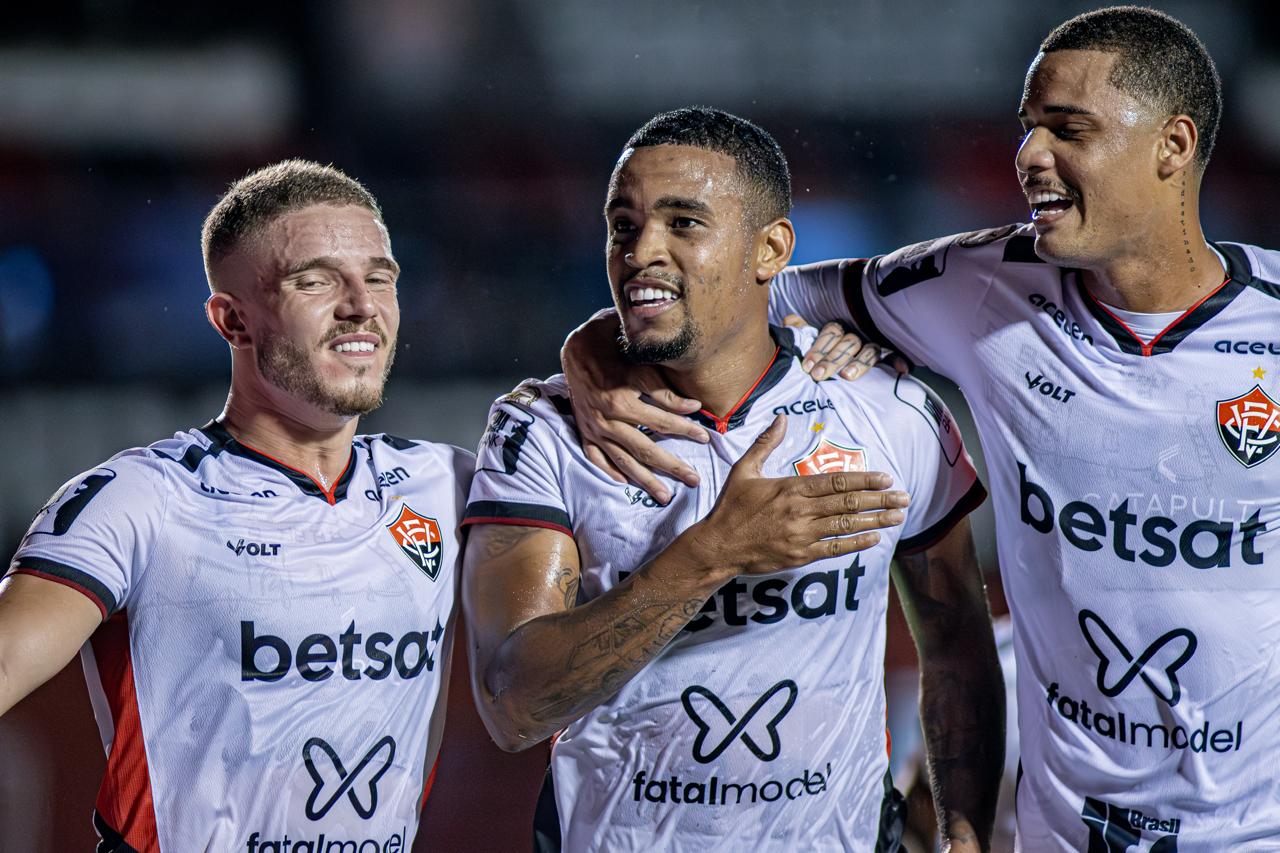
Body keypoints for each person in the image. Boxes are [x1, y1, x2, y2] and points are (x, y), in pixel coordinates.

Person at [563, 7, 1280, 849]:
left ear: (1173, 144)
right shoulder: (979, 282)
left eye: (1068, 129)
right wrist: (594, 355)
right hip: (1064, 832)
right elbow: (737, 294)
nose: (1029, 156)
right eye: (1027, 127)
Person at [462, 107, 1003, 852]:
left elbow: (956, 648)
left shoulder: (890, 410)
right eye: (624, 225)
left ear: (770, 247)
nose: (641, 251)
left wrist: (962, 836)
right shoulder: (545, 429)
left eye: (684, 223)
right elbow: (514, 703)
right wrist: (713, 553)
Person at [0, 160, 471, 851]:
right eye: (314, 280)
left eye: (379, 277)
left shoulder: (447, 483)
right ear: (232, 319)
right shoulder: (141, 500)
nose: (360, 304)